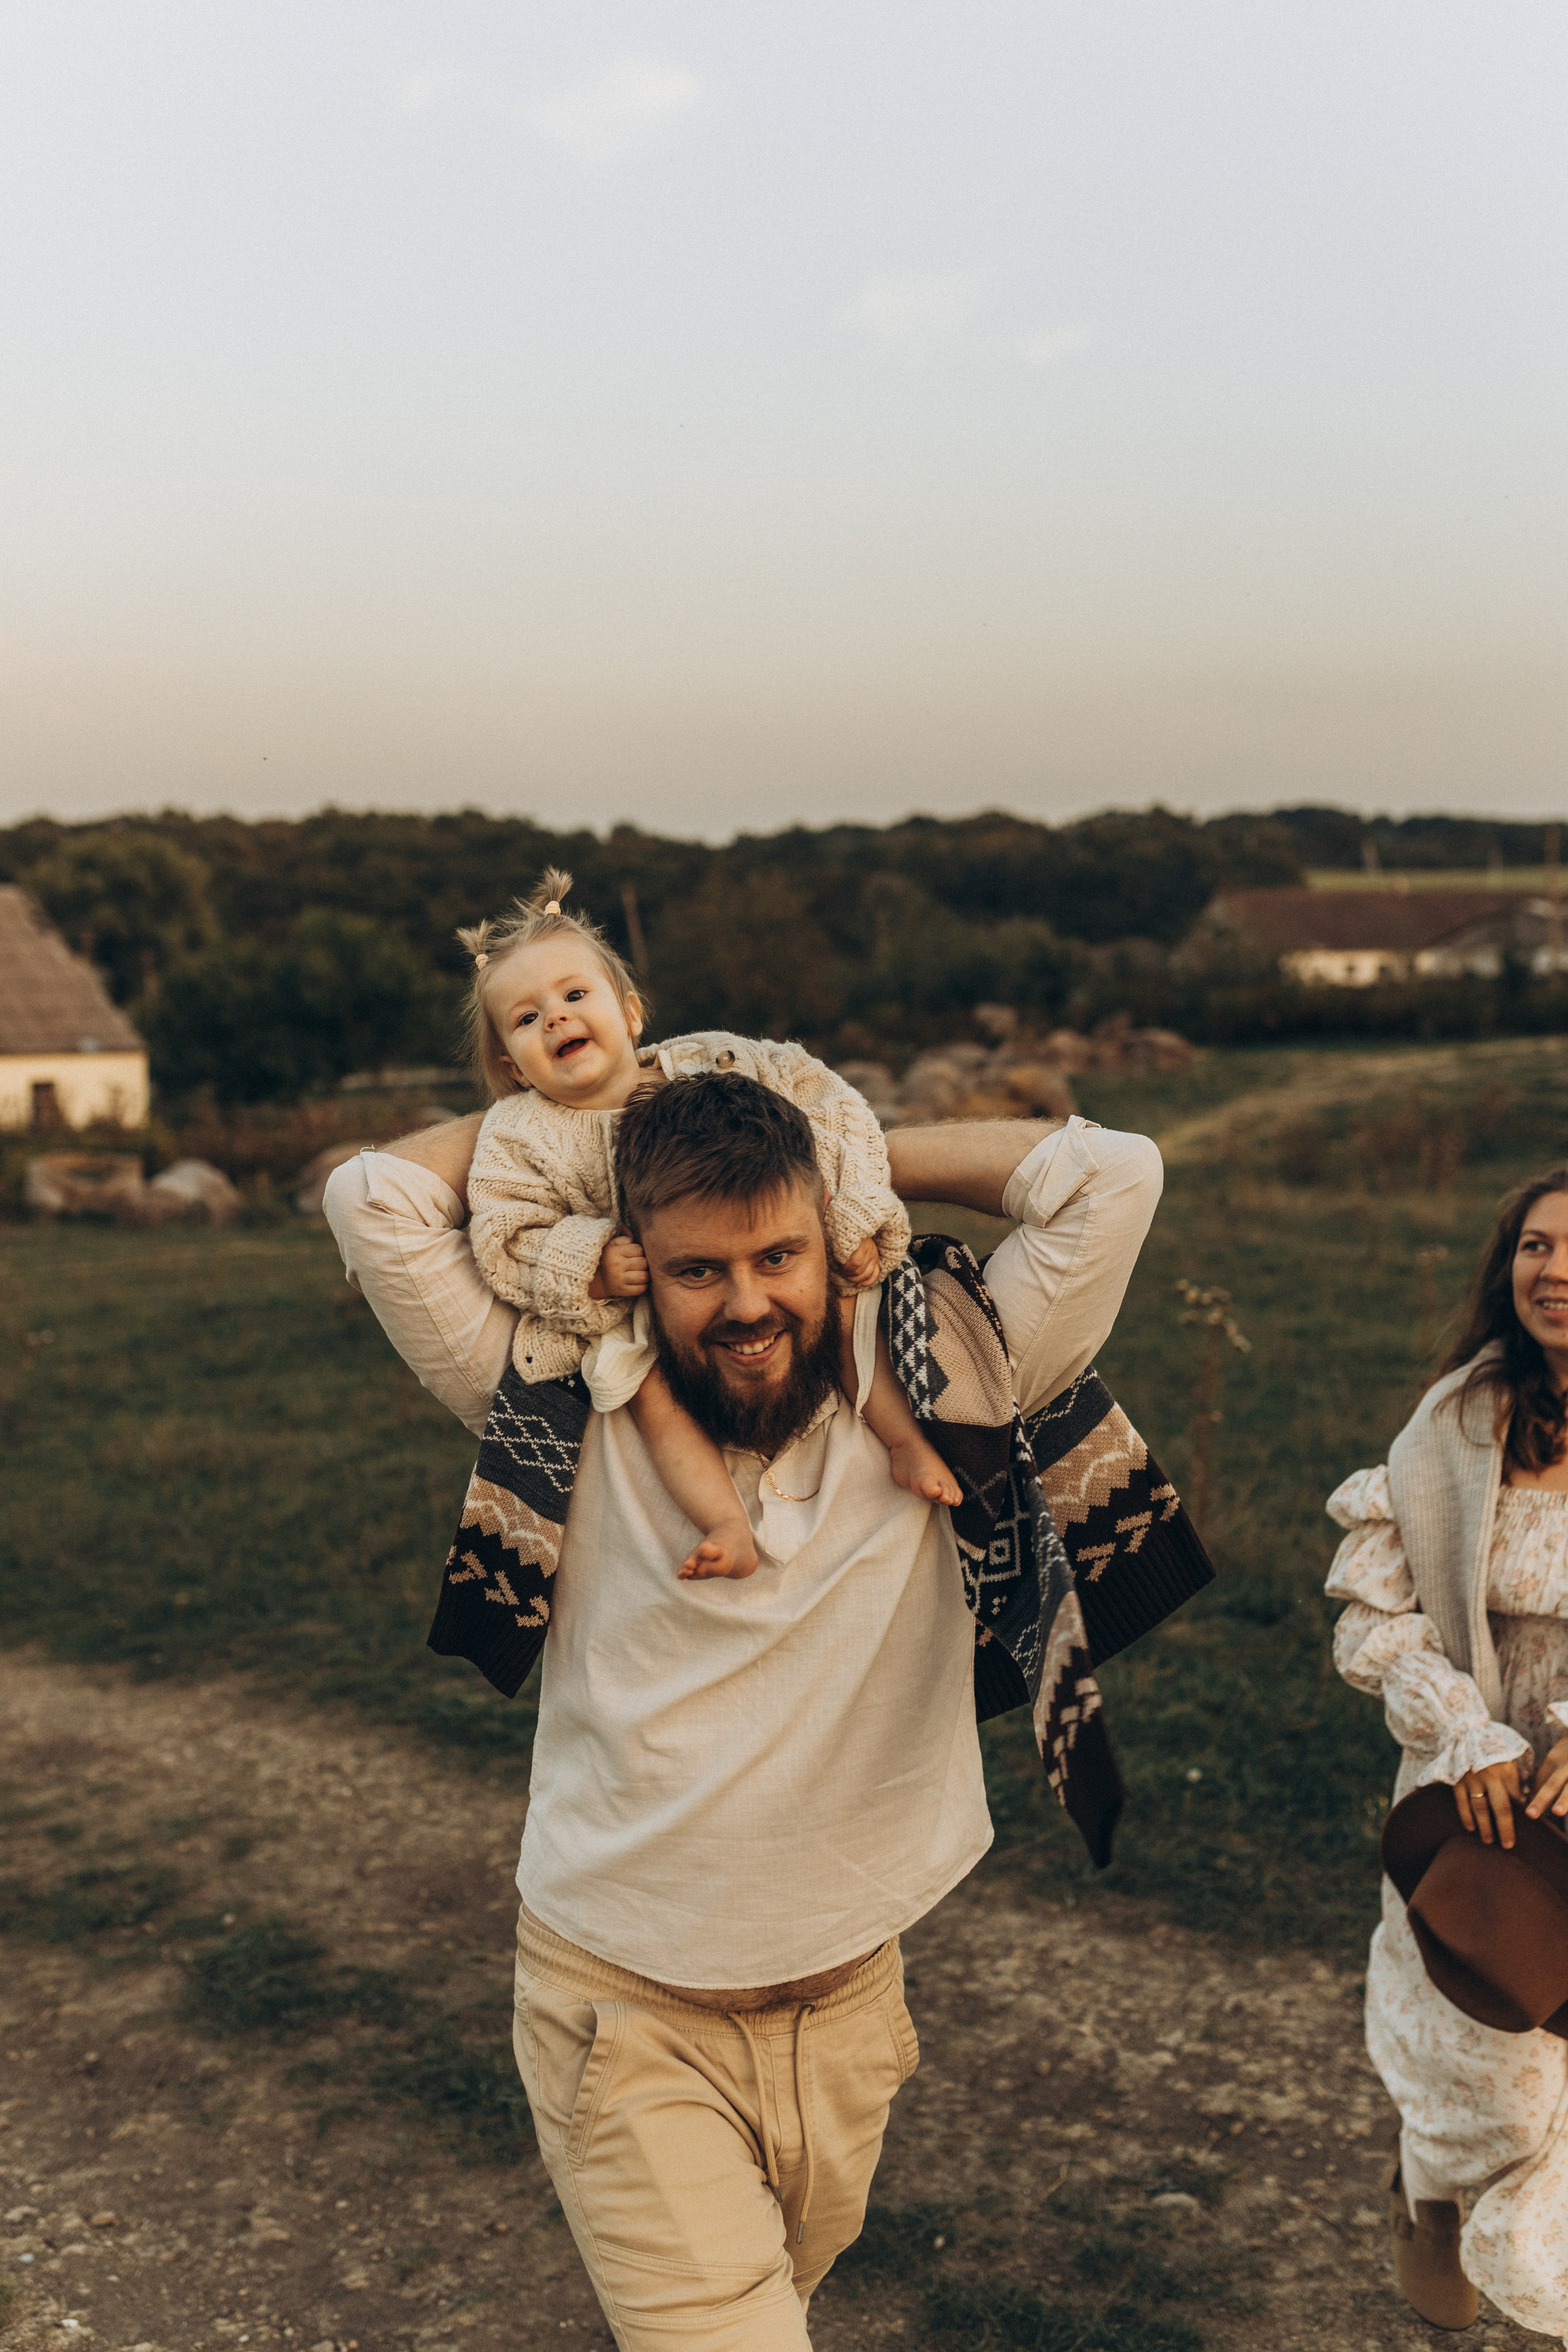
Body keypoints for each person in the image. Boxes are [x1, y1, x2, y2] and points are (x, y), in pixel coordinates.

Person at [325, 1081, 1163, 2351]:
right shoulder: (558, 1392)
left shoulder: (944, 1383)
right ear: (632, 1270)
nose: (748, 1305)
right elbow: (371, 1198)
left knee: (774, 2304)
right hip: (625, 2019)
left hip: (850, 2012)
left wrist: (842, 1145)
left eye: (778, 1255)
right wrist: (596, 1109)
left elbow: (1113, 1177)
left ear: (832, 1239)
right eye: (696, 1269)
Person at [458, 869, 960, 1578]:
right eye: (528, 1017)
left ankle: (903, 1439)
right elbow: (505, 1230)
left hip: (757, 1260)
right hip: (634, 1307)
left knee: (845, 1310)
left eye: (575, 995)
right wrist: (589, 1261)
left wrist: (852, 1216)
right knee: (646, 1393)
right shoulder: (519, 1134)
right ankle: (724, 1520)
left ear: (630, 1012)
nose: (558, 1019)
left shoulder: (717, 1062)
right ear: (511, 1067)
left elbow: (830, 1113)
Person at [1326, 1166, 1568, 2339]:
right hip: (1472, 1793)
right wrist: (1465, 1731)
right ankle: (1432, 2189)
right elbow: (1378, 1614)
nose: (1556, 1269)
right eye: (1536, 1245)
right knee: (1499, 2074)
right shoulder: (1457, 1424)